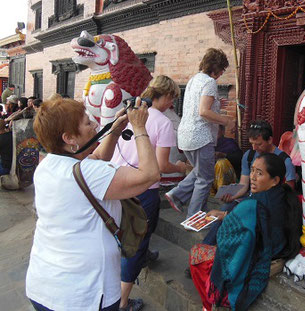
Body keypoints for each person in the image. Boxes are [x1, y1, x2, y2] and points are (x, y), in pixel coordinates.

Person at [25, 97, 160, 311]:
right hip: (84, 294)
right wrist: (139, 127)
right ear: (69, 138)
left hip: (44, 284)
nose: (95, 125)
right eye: (88, 123)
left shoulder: (47, 165)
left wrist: (115, 130)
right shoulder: (90, 174)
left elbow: (96, 158)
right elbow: (149, 174)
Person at [111, 75, 187, 311]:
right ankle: (122, 302)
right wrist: (181, 167)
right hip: (142, 189)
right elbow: (162, 165)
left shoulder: (128, 111)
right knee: (136, 243)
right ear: (163, 96)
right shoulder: (163, 123)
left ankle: (135, 264)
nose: (171, 104)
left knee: (118, 234)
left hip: (114, 182)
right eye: (171, 98)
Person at [189, 153, 302, 311]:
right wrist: (225, 215)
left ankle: (209, 304)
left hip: (260, 258)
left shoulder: (251, 205)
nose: (253, 177)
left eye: (260, 173)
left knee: (197, 253)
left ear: (275, 180)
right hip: (279, 251)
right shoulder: (284, 196)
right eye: (252, 170)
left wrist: (225, 218)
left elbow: (225, 239)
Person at [165, 48, 234, 218]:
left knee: (200, 171)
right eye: (222, 69)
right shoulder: (209, 82)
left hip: (186, 135)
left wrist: (218, 104)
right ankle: (194, 216)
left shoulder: (194, 79)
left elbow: (198, 106)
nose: (221, 73)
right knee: (205, 178)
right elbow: (203, 111)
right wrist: (226, 121)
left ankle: (177, 194)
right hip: (200, 136)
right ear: (216, 67)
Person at [222, 120, 295, 204]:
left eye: (259, 144)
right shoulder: (249, 156)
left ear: (270, 140)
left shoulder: (285, 161)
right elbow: (244, 184)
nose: (254, 148)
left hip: (273, 202)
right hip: (251, 199)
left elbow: (289, 192)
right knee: (226, 208)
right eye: (252, 143)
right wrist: (232, 197)